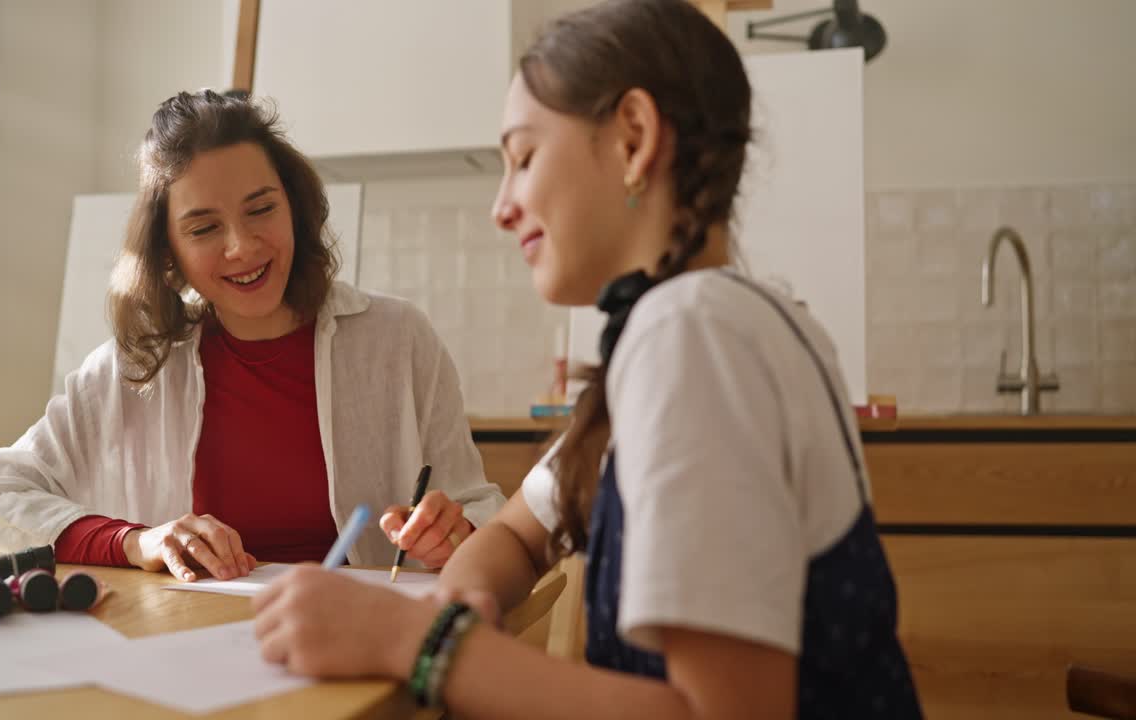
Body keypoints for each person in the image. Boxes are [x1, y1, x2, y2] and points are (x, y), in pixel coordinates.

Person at [249, 1, 923, 717]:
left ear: (633, 139)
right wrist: (456, 604)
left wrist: (420, 641)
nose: (500, 207)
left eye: (525, 157)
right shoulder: (710, 324)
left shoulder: (695, 338)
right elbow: (514, 533)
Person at [0, 90, 504, 581]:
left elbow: (479, 505)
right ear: (168, 251)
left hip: (361, 645)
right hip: (188, 652)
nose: (241, 246)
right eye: (203, 228)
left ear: (295, 207)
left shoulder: (399, 338)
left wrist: (456, 533)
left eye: (261, 209)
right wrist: (133, 541)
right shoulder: (134, 368)